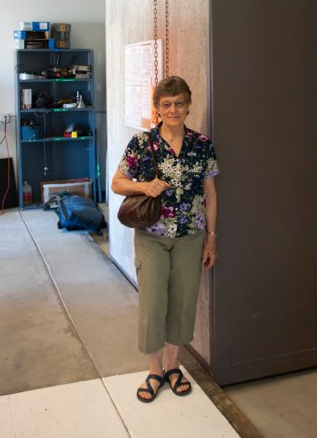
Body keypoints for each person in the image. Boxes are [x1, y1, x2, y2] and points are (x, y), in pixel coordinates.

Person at [111, 75, 218, 403]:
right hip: (152, 237)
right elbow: (117, 183)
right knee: (154, 302)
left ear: (188, 105)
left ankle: (174, 367)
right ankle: (154, 370)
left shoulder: (201, 145)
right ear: (157, 108)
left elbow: (210, 194)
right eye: (166, 104)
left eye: (179, 103)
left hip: (190, 236)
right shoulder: (142, 144)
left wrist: (211, 238)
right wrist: (144, 186)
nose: (173, 109)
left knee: (184, 302)